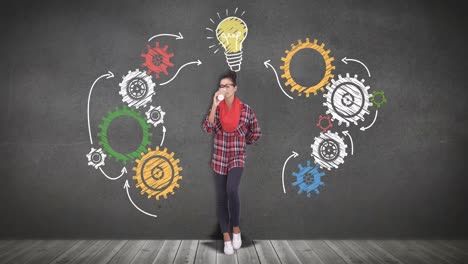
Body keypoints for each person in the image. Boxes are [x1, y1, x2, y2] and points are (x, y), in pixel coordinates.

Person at [202, 70, 262, 255]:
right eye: (221, 86)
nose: (224, 88)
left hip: (237, 155)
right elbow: (207, 128)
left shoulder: (246, 110)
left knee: (232, 190)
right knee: (221, 197)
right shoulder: (217, 109)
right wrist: (214, 105)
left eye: (227, 85)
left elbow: (256, 132)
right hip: (219, 156)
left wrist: (245, 141)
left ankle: (236, 229)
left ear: (235, 88)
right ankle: (226, 238)